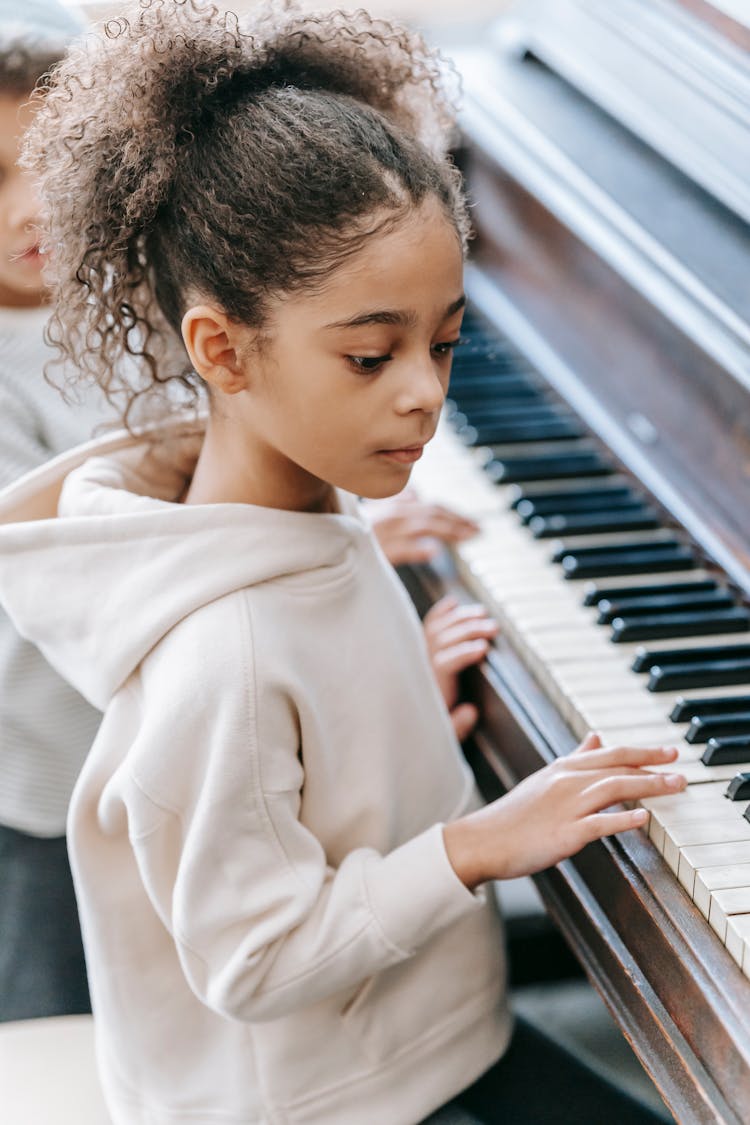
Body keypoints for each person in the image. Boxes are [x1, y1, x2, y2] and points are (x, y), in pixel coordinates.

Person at [0, 2, 684, 1122]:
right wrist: (473, 846)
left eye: (445, 341)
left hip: (428, 1043)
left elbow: (295, 752)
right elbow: (253, 960)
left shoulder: (290, 518)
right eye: (371, 354)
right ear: (220, 349)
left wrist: (391, 707)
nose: (424, 390)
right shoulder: (222, 653)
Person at [0, 0, 104, 1023]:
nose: (34, 206)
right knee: (54, 1007)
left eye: (55, 160)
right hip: (44, 763)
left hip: (155, 737)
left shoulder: (132, 291)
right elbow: (65, 553)